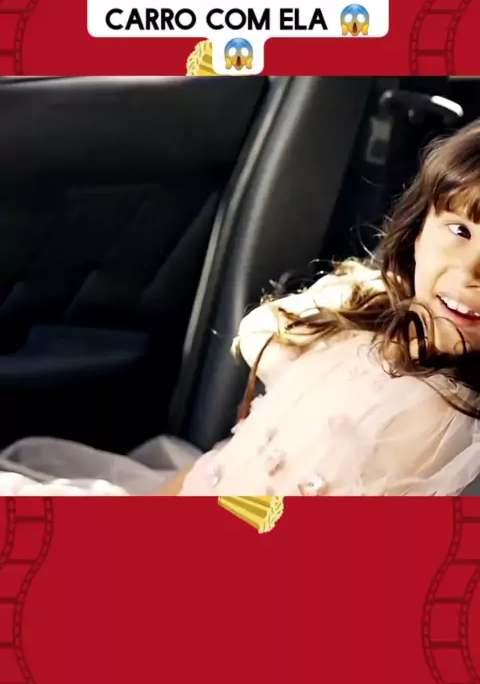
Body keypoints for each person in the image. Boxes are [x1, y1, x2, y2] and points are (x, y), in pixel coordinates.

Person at [2, 122, 480, 495]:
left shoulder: (441, 425)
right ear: (417, 232)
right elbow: (234, 457)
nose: (470, 271)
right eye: (460, 231)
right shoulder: (363, 329)